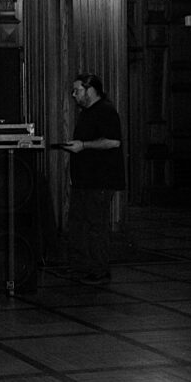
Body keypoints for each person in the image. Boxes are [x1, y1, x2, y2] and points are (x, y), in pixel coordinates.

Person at [61, 73, 125, 284]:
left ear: (90, 90)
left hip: (100, 180)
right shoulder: (86, 113)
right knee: (78, 223)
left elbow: (114, 142)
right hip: (83, 180)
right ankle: (80, 266)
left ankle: (99, 269)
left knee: (96, 225)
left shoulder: (106, 111)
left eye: (77, 90)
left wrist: (84, 145)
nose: (74, 95)